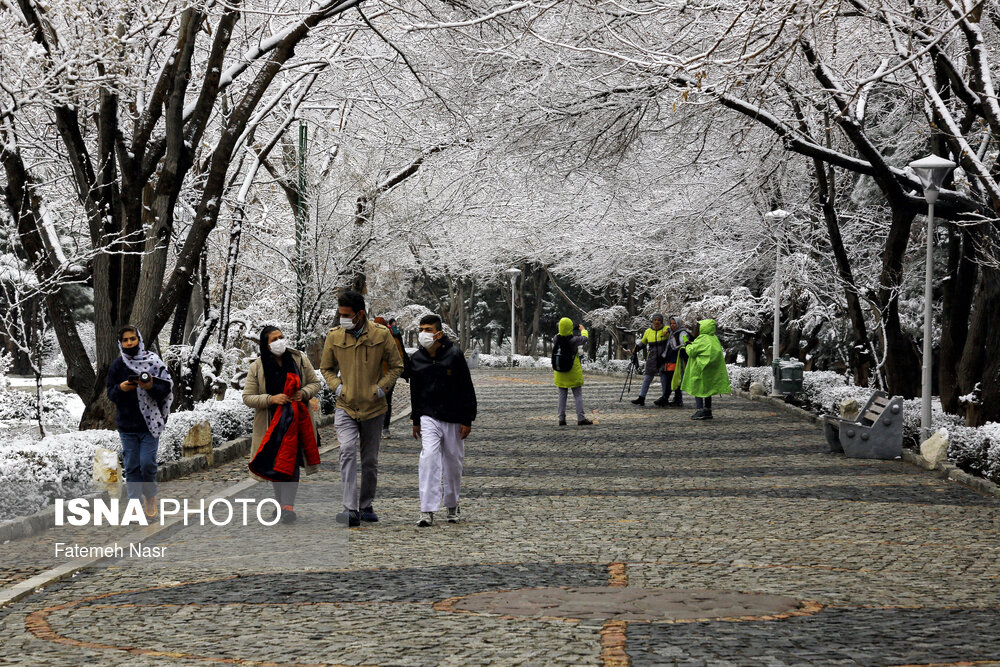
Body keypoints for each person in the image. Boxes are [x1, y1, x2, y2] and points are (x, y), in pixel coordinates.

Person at [320, 291, 404, 527]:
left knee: (369, 460)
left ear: (360, 314)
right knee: (346, 450)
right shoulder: (334, 336)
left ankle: (366, 505)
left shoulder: (381, 334)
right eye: (340, 314)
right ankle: (349, 509)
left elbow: (397, 366)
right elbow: (326, 368)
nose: (342, 319)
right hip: (345, 405)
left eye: (346, 315)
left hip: (374, 408)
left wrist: (380, 389)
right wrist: (338, 389)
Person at [243, 327, 322, 524]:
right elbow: (248, 397)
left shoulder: (299, 359)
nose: (279, 341)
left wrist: (303, 393)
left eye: (281, 337)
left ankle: (288, 506)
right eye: (274, 339)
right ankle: (280, 505)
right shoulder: (258, 367)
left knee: (291, 461)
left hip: (296, 420)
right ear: (266, 344)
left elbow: (315, 383)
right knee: (275, 465)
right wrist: (271, 399)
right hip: (271, 424)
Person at [409, 314, 477, 527]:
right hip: (429, 416)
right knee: (428, 458)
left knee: (453, 462)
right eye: (421, 329)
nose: (423, 333)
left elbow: (467, 387)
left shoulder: (454, 355)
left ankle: (452, 504)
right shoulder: (417, 359)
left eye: (428, 329)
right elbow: (415, 391)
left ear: (439, 333)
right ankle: (427, 509)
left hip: (454, 417)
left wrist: (468, 418)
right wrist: (416, 419)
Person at [105, 326, 173, 518]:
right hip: (127, 425)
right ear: (121, 343)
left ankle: (150, 497)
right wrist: (122, 388)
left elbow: (166, 388)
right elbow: (110, 393)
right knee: (132, 464)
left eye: (132, 339)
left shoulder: (153, 362)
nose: (129, 343)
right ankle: (134, 506)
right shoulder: (117, 366)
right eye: (125, 340)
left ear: (139, 339)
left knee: (147, 464)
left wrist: (151, 386)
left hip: (149, 425)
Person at [680, 318, 732, 420]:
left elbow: (692, 351)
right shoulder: (714, 339)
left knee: (697, 389)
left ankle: (700, 411)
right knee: (708, 390)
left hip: (700, 368)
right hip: (710, 370)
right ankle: (708, 410)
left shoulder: (702, 339)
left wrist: (687, 345)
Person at [552, 317, 593, 426]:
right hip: (572, 371)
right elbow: (584, 338)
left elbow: (560, 334)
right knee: (578, 395)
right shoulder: (574, 340)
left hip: (560, 371)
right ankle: (581, 418)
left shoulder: (556, 338)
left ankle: (561, 419)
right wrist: (583, 329)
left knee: (562, 395)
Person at [373, 316, 409, 439]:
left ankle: (385, 427)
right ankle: (377, 427)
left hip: (388, 376)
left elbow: (399, 357)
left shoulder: (393, 339)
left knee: (386, 401)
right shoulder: (369, 339)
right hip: (374, 377)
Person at [630, 314, 671, 407]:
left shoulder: (666, 329)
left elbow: (673, 330)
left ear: (661, 321)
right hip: (652, 357)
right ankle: (641, 398)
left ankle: (665, 398)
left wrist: (668, 331)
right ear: (652, 321)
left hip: (663, 357)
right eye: (655, 320)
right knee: (647, 377)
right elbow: (643, 342)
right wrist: (636, 348)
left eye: (658, 320)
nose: (656, 322)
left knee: (664, 378)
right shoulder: (648, 331)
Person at [663, 316, 691, 407]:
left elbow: (685, 343)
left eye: (674, 323)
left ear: (678, 323)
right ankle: (672, 398)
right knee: (671, 379)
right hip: (670, 358)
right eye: (671, 323)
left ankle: (674, 399)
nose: (672, 325)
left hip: (677, 359)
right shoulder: (672, 332)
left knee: (675, 380)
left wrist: (680, 349)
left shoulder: (682, 332)